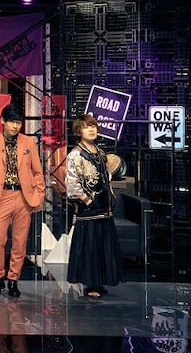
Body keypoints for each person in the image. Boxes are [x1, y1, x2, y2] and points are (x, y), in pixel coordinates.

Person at [0, 103, 45, 298]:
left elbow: (37, 172)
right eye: (12, 122)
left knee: (20, 242)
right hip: (1, 196)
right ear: (3, 121)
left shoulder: (28, 142)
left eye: (18, 122)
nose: (15, 126)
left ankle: (13, 280)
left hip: (23, 197)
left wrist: (39, 195)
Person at [66, 114, 124, 298]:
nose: (91, 129)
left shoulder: (100, 152)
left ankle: (99, 281)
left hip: (104, 208)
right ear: (78, 132)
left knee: (102, 244)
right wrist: (88, 201)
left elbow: (106, 178)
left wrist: (110, 196)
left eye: (93, 126)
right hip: (89, 209)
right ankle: (90, 284)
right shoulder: (75, 154)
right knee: (90, 245)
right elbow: (72, 184)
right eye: (86, 127)